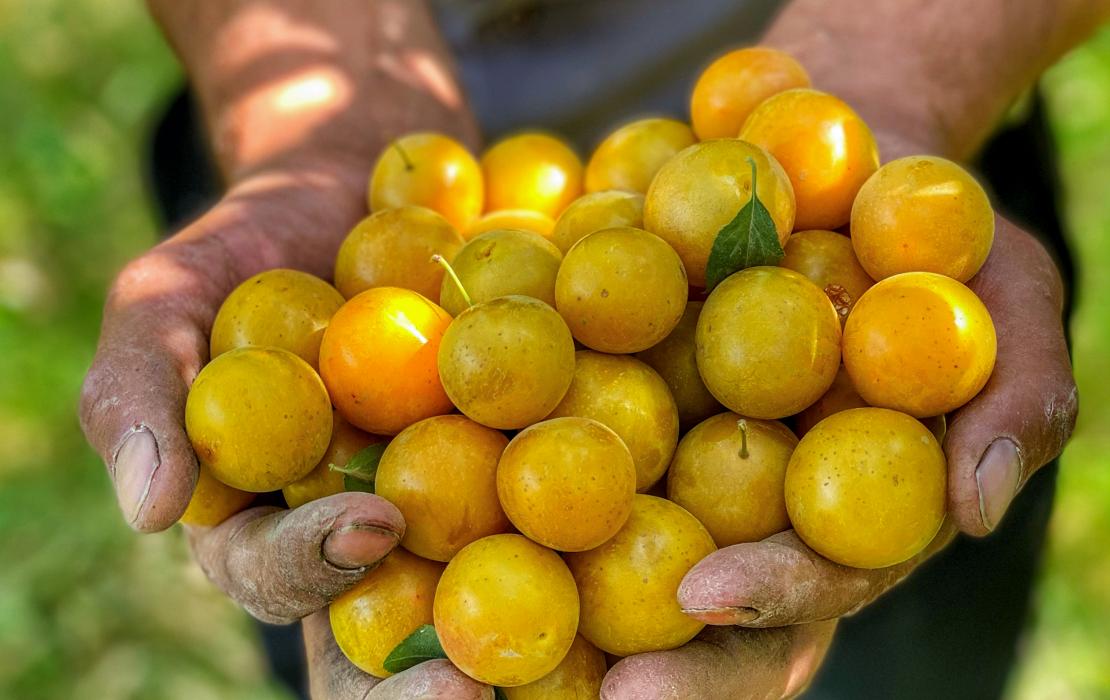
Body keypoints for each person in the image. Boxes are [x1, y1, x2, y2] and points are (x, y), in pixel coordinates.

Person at [79, 1, 1103, 697]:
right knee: (335, 569)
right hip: (351, 96)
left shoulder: (824, 264)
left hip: (877, 51)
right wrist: (306, 127)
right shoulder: (385, 382)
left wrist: (905, 80)